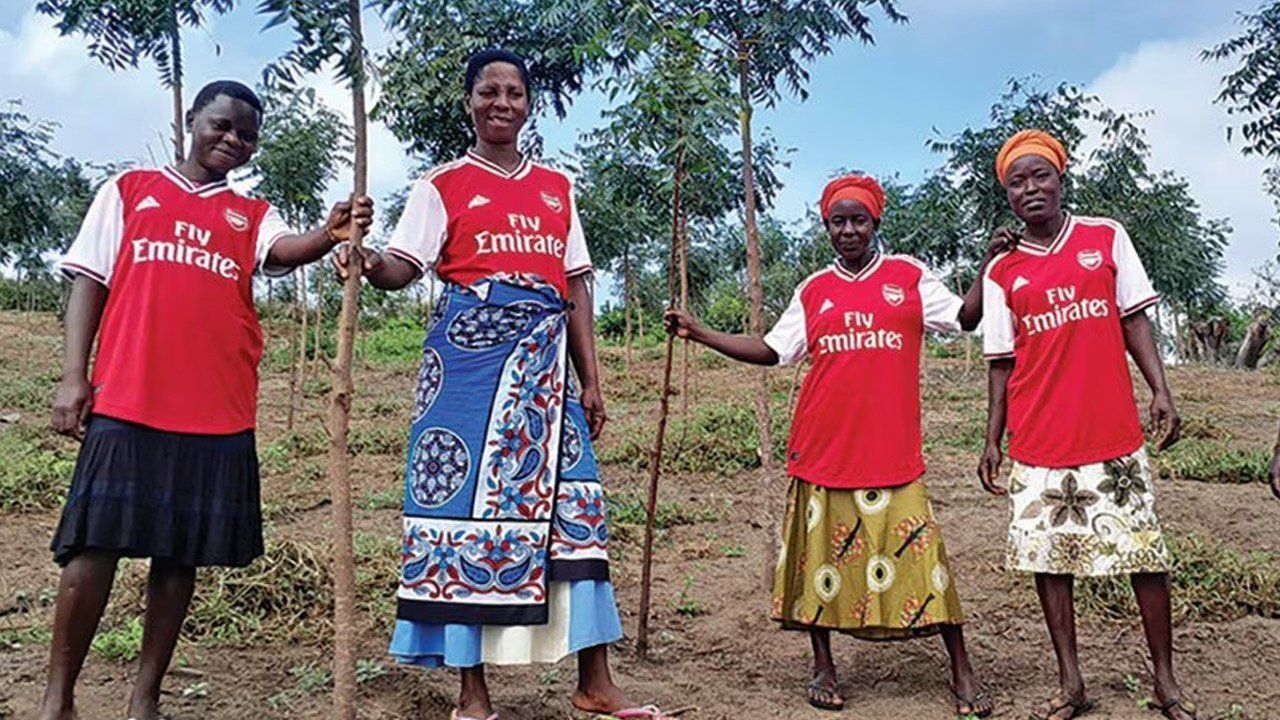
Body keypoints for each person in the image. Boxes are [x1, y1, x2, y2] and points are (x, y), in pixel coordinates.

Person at [331, 49, 669, 720]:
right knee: (459, 517)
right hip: (466, 367)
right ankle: (472, 695)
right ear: (469, 102)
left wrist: (590, 380)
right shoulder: (442, 184)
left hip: (545, 373)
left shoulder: (556, 187)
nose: (502, 102)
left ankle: (595, 682)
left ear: (529, 105)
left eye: (515, 92)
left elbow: (574, 284)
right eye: (489, 91)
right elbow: (405, 264)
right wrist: (365, 260)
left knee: (577, 513)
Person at [39, 79, 373, 720]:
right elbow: (88, 280)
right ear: (192, 120)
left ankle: (146, 699)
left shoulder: (251, 215)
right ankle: (58, 700)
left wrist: (328, 235)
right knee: (92, 547)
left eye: (246, 134)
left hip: (215, 407)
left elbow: (281, 251)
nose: (232, 140)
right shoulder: (130, 192)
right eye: (221, 125)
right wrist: (73, 376)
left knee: (181, 553)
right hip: (130, 397)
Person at [665, 174, 1007, 717]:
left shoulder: (908, 276)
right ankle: (823, 664)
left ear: (876, 224)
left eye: (859, 220)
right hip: (822, 448)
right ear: (826, 227)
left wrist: (990, 263)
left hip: (892, 452)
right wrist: (701, 332)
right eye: (838, 221)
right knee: (821, 563)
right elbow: (774, 351)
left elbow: (965, 319)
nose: (849, 230)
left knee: (926, 564)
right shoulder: (813, 290)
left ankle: (961, 669)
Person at [978, 130, 1197, 720]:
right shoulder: (1003, 269)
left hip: (1111, 432)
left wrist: (1160, 388)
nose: (1030, 189)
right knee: (1049, 563)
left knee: (1145, 556)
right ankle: (1071, 683)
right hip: (1039, 439)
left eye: (1040, 176)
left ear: (1061, 177)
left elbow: (1135, 320)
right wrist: (992, 439)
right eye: (1017, 182)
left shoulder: (1106, 237)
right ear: (1008, 194)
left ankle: (1166, 682)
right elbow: (1001, 361)